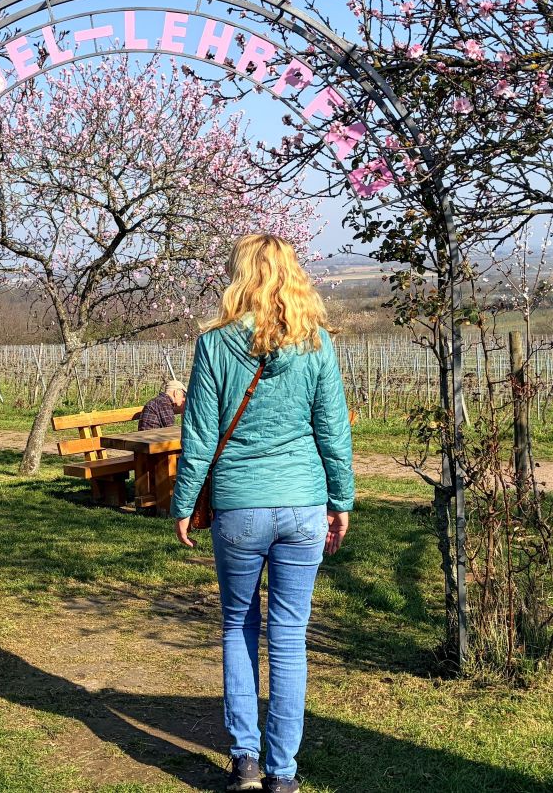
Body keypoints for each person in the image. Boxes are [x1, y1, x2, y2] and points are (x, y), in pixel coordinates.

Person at [171, 233, 353, 793]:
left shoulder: (216, 344)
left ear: (240, 274)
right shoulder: (316, 343)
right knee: (291, 636)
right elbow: (333, 430)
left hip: (239, 507)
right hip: (303, 506)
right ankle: (283, 773)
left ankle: (245, 759)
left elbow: (199, 433)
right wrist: (341, 500)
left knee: (238, 625)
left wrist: (183, 503)